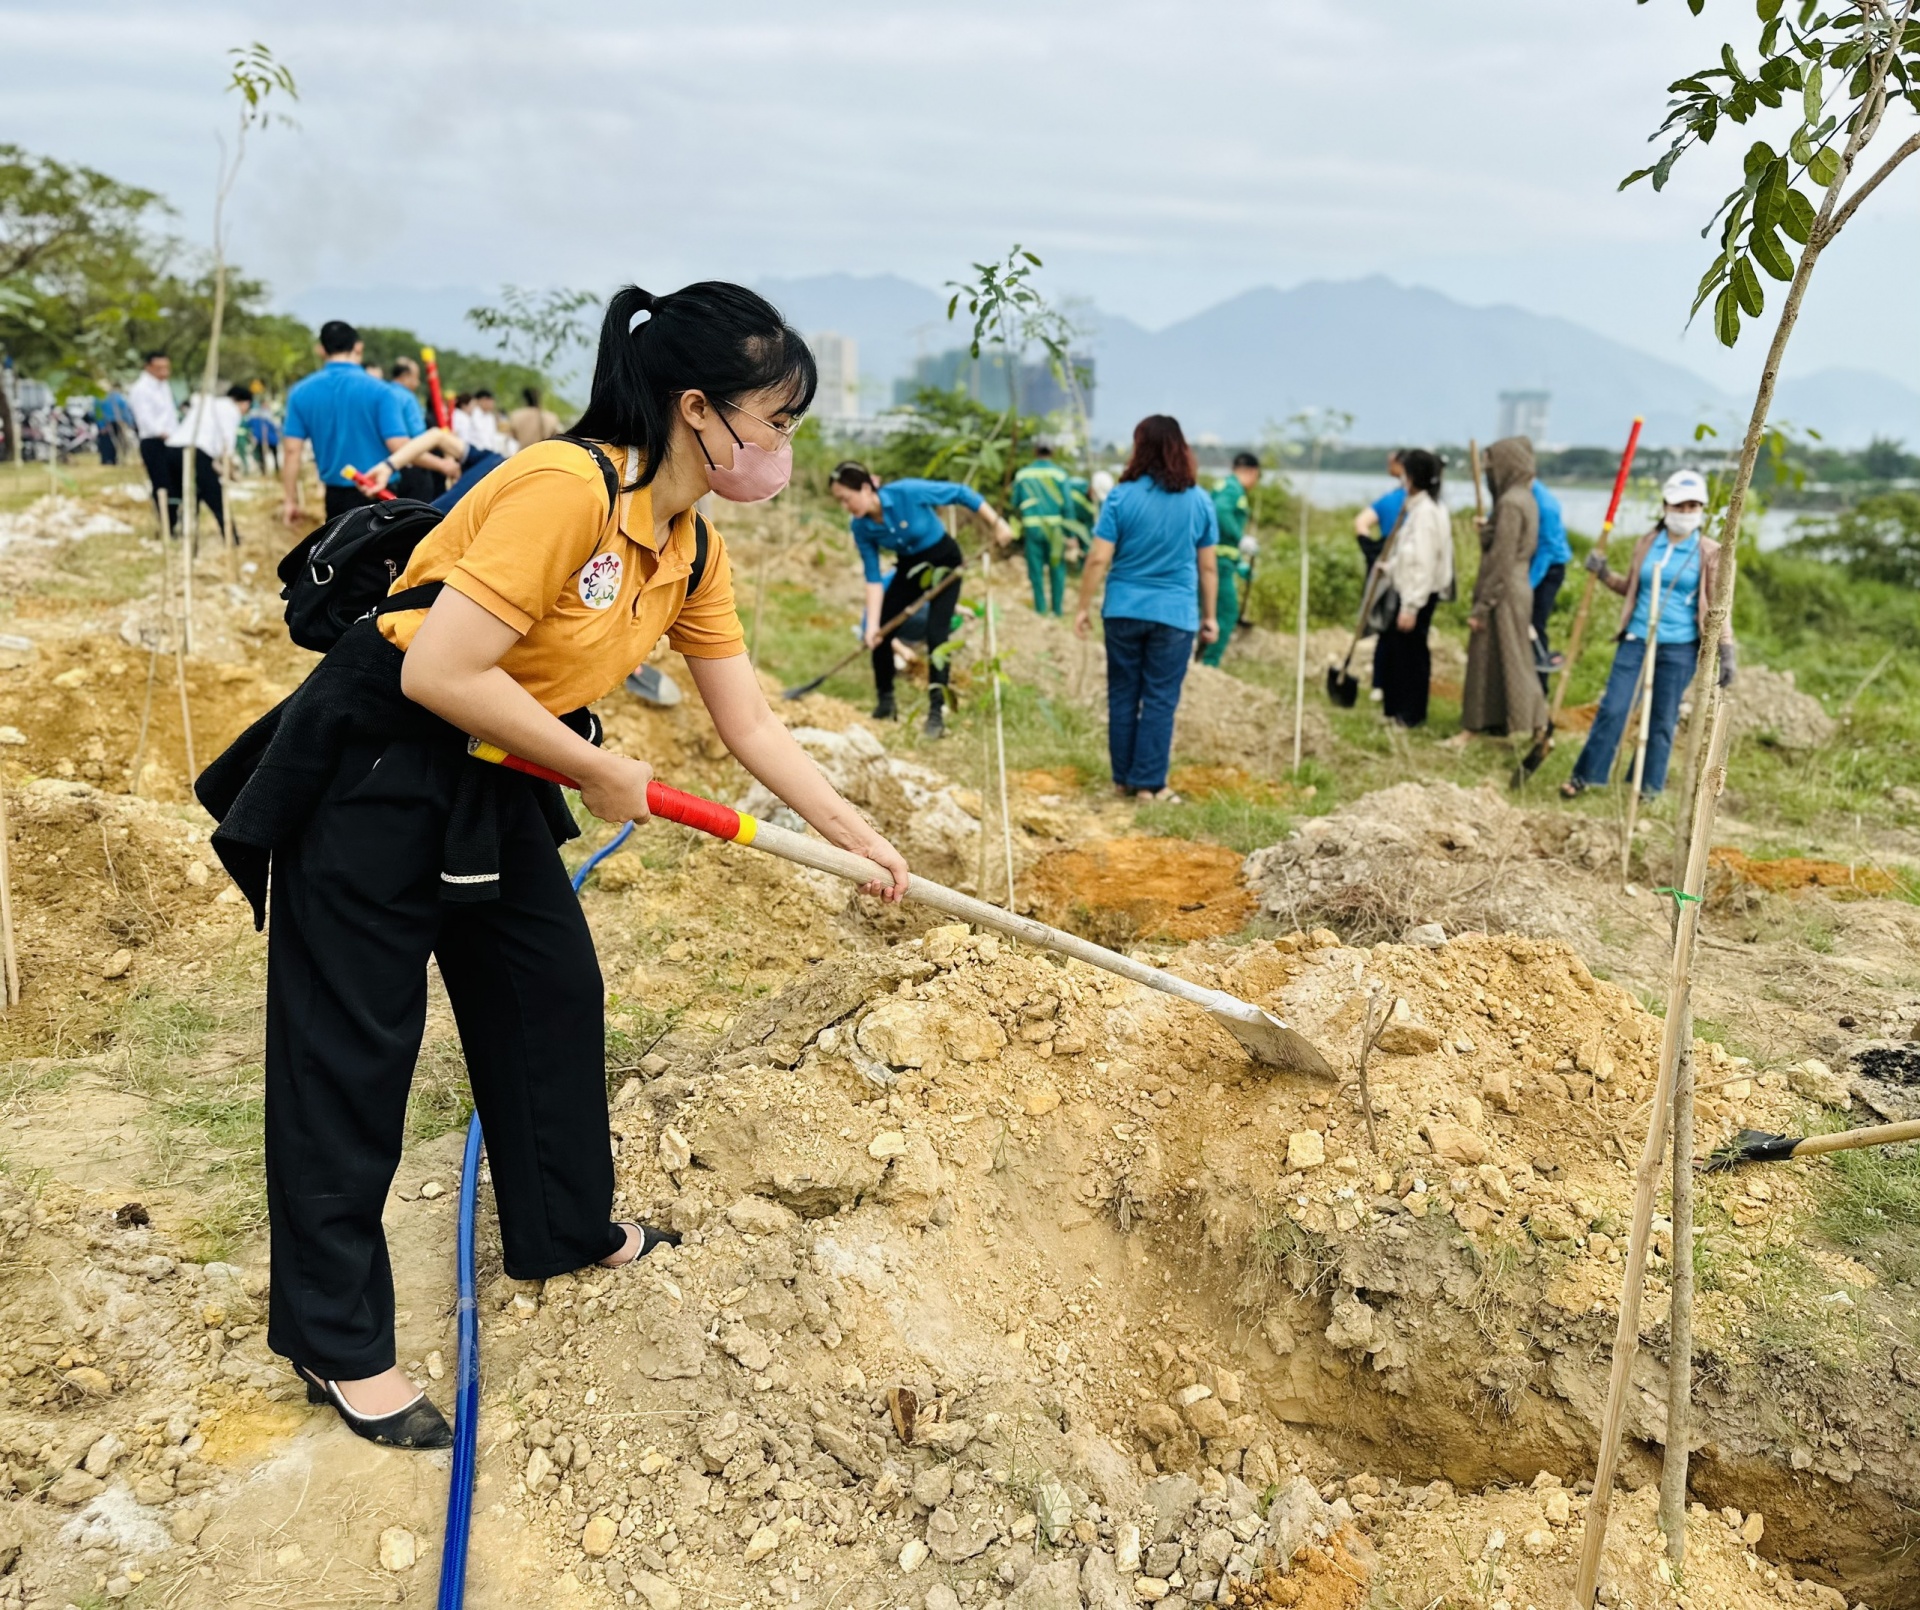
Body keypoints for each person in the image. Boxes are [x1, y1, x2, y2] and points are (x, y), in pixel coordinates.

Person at [196, 281, 908, 1450]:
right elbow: (440, 670)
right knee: (352, 1051)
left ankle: (564, 1229)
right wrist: (594, 767)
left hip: (499, 770)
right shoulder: (562, 489)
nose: (786, 448)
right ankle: (337, 1339)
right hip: (377, 765)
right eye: (777, 421)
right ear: (699, 410)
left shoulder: (687, 543)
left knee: (549, 998)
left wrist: (855, 836)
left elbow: (753, 725)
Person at [1561, 470, 1735, 799]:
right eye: (1679, 506)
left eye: (1693, 506)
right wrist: (1603, 575)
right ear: (1666, 506)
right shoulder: (1647, 543)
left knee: (1661, 719)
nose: (1686, 513)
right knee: (1614, 707)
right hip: (1637, 640)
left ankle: (1648, 788)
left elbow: (1718, 607)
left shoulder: (1710, 553)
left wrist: (1726, 650)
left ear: (1701, 509)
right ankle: (1586, 775)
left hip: (1679, 649)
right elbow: (1632, 587)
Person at [1074, 415, 1218, 802]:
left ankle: (1122, 780)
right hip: (1175, 614)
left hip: (1122, 609)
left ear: (1139, 448)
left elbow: (1097, 560)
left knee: (1122, 693)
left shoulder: (1121, 496)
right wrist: (1210, 616)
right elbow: (1208, 566)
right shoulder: (1200, 501)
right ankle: (1150, 785)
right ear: (1181, 449)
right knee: (1159, 698)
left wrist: (1082, 607)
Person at [827, 463, 1013, 738]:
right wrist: (871, 626)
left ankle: (936, 714)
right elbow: (873, 578)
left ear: (866, 488)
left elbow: (961, 493)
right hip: (911, 569)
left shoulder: (907, 492)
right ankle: (885, 702)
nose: (845, 506)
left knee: (938, 636)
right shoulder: (862, 527)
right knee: (882, 630)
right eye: (839, 501)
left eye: (846, 498)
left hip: (945, 563)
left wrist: (998, 524)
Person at [280, 322, 414, 525]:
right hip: (380, 494)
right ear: (358, 347)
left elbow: (291, 451)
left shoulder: (300, 392)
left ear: (321, 350)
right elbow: (400, 447)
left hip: (335, 498)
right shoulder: (381, 391)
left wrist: (290, 500)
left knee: (339, 554)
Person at [1460, 436, 1549, 742]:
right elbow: (1499, 541)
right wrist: (1487, 530)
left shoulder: (1511, 502)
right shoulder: (1525, 497)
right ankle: (1499, 721)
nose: (1489, 474)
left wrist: (1482, 605)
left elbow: (1501, 558)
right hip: (1517, 585)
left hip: (1505, 589)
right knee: (1500, 656)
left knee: (1511, 657)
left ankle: (1534, 722)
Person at [1371, 448, 1454, 727]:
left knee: (1411, 656)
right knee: (1400, 651)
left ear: (1412, 477)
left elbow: (1424, 562)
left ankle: (1410, 714)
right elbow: (1408, 554)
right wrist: (1390, 567)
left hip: (1417, 595)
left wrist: (1411, 606)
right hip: (1410, 591)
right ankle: (1395, 711)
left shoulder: (1427, 514)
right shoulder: (1420, 508)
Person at [164, 383, 252, 540]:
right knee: (214, 496)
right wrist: (231, 472)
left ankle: (179, 533)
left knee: (184, 495)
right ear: (244, 402)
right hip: (195, 451)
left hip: (172, 449)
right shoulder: (231, 411)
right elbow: (227, 446)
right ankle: (231, 537)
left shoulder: (207, 404)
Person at [360, 425, 507, 512]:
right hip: (419, 529)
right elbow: (437, 436)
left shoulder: (500, 464)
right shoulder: (495, 461)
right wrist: (388, 466)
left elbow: (437, 436)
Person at [1200, 451, 1260, 667]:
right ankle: (1209, 663)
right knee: (1226, 612)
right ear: (1252, 472)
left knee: (1206, 611)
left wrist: (1239, 564)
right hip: (1217, 564)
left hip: (1219, 560)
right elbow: (1220, 512)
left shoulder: (1222, 485)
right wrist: (1240, 537)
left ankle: (1198, 658)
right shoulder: (1234, 489)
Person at [1008, 442, 1077, 618]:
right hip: (1055, 530)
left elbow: (1014, 502)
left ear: (1035, 451)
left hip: (1032, 528)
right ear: (1052, 452)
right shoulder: (1060, 474)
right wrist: (1072, 535)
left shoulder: (1023, 474)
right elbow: (1068, 506)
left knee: (1035, 570)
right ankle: (1057, 610)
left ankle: (1040, 609)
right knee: (1057, 568)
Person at [128, 352, 180, 526]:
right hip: (154, 441)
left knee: (176, 483)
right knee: (162, 483)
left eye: (166, 368)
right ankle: (167, 524)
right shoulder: (141, 389)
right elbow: (144, 418)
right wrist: (162, 432)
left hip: (172, 441)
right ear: (148, 367)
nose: (164, 372)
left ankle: (175, 519)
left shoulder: (164, 386)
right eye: (159, 368)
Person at [1530, 475, 1570, 683]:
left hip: (1549, 568)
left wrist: (1528, 585)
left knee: (1535, 623)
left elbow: (1547, 550)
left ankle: (1540, 685)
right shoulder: (1519, 494)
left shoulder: (1546, 506)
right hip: (1533, 561)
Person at [1353, 449, 1407, 570]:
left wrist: (1371, 550)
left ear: (1400, 465)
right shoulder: (1426, 502)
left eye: (1391, 463)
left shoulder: (1390, 499)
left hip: (1387, 551)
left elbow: (1361, 522)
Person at [508, 385, 563, 451]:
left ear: (525, 399)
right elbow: (557, 436)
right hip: (544, 454)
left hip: (523, 454)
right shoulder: (551, 417)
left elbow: (512, 436)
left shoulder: (516, 416)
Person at [93, 384, 134, 466]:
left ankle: (112, 459)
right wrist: (129, 422)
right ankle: (112, 459)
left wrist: (101, 426)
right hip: (112, 422)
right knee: (112, 442)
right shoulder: (114, 397)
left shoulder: (100, 398)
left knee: (113, 442)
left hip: (112, 422)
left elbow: (97, 413)